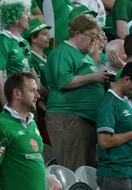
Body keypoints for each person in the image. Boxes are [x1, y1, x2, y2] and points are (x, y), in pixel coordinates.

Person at [45, 15, 109, 170]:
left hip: (83, 118)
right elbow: (64, 81)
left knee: (86, 167)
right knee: (73, 166)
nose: (94, 41)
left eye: (96, 37)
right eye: (92, 36)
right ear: (78, 34)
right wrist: (94, 76)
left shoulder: (82, 55)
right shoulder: (63, 51)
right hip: (68, 116)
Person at [0, 72, 45, 190]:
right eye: (32, 91)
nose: (37, 96)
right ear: (17, 93)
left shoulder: (32, 123)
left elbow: (35, 163)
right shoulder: (0, 125)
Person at [96, 59, 132, 190]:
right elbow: (104, 141)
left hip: (126, 171)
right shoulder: (108, 103)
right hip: (114, 174)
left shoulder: (123, 102)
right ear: (127, 79)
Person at [0, 0, 33, 107]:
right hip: (12, 99)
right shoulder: (1, 41)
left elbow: (31, 71)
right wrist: (6, 104)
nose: (29, 17)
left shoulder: (25, 42)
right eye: (26, 13)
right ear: (15, 17)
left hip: (26, 99)